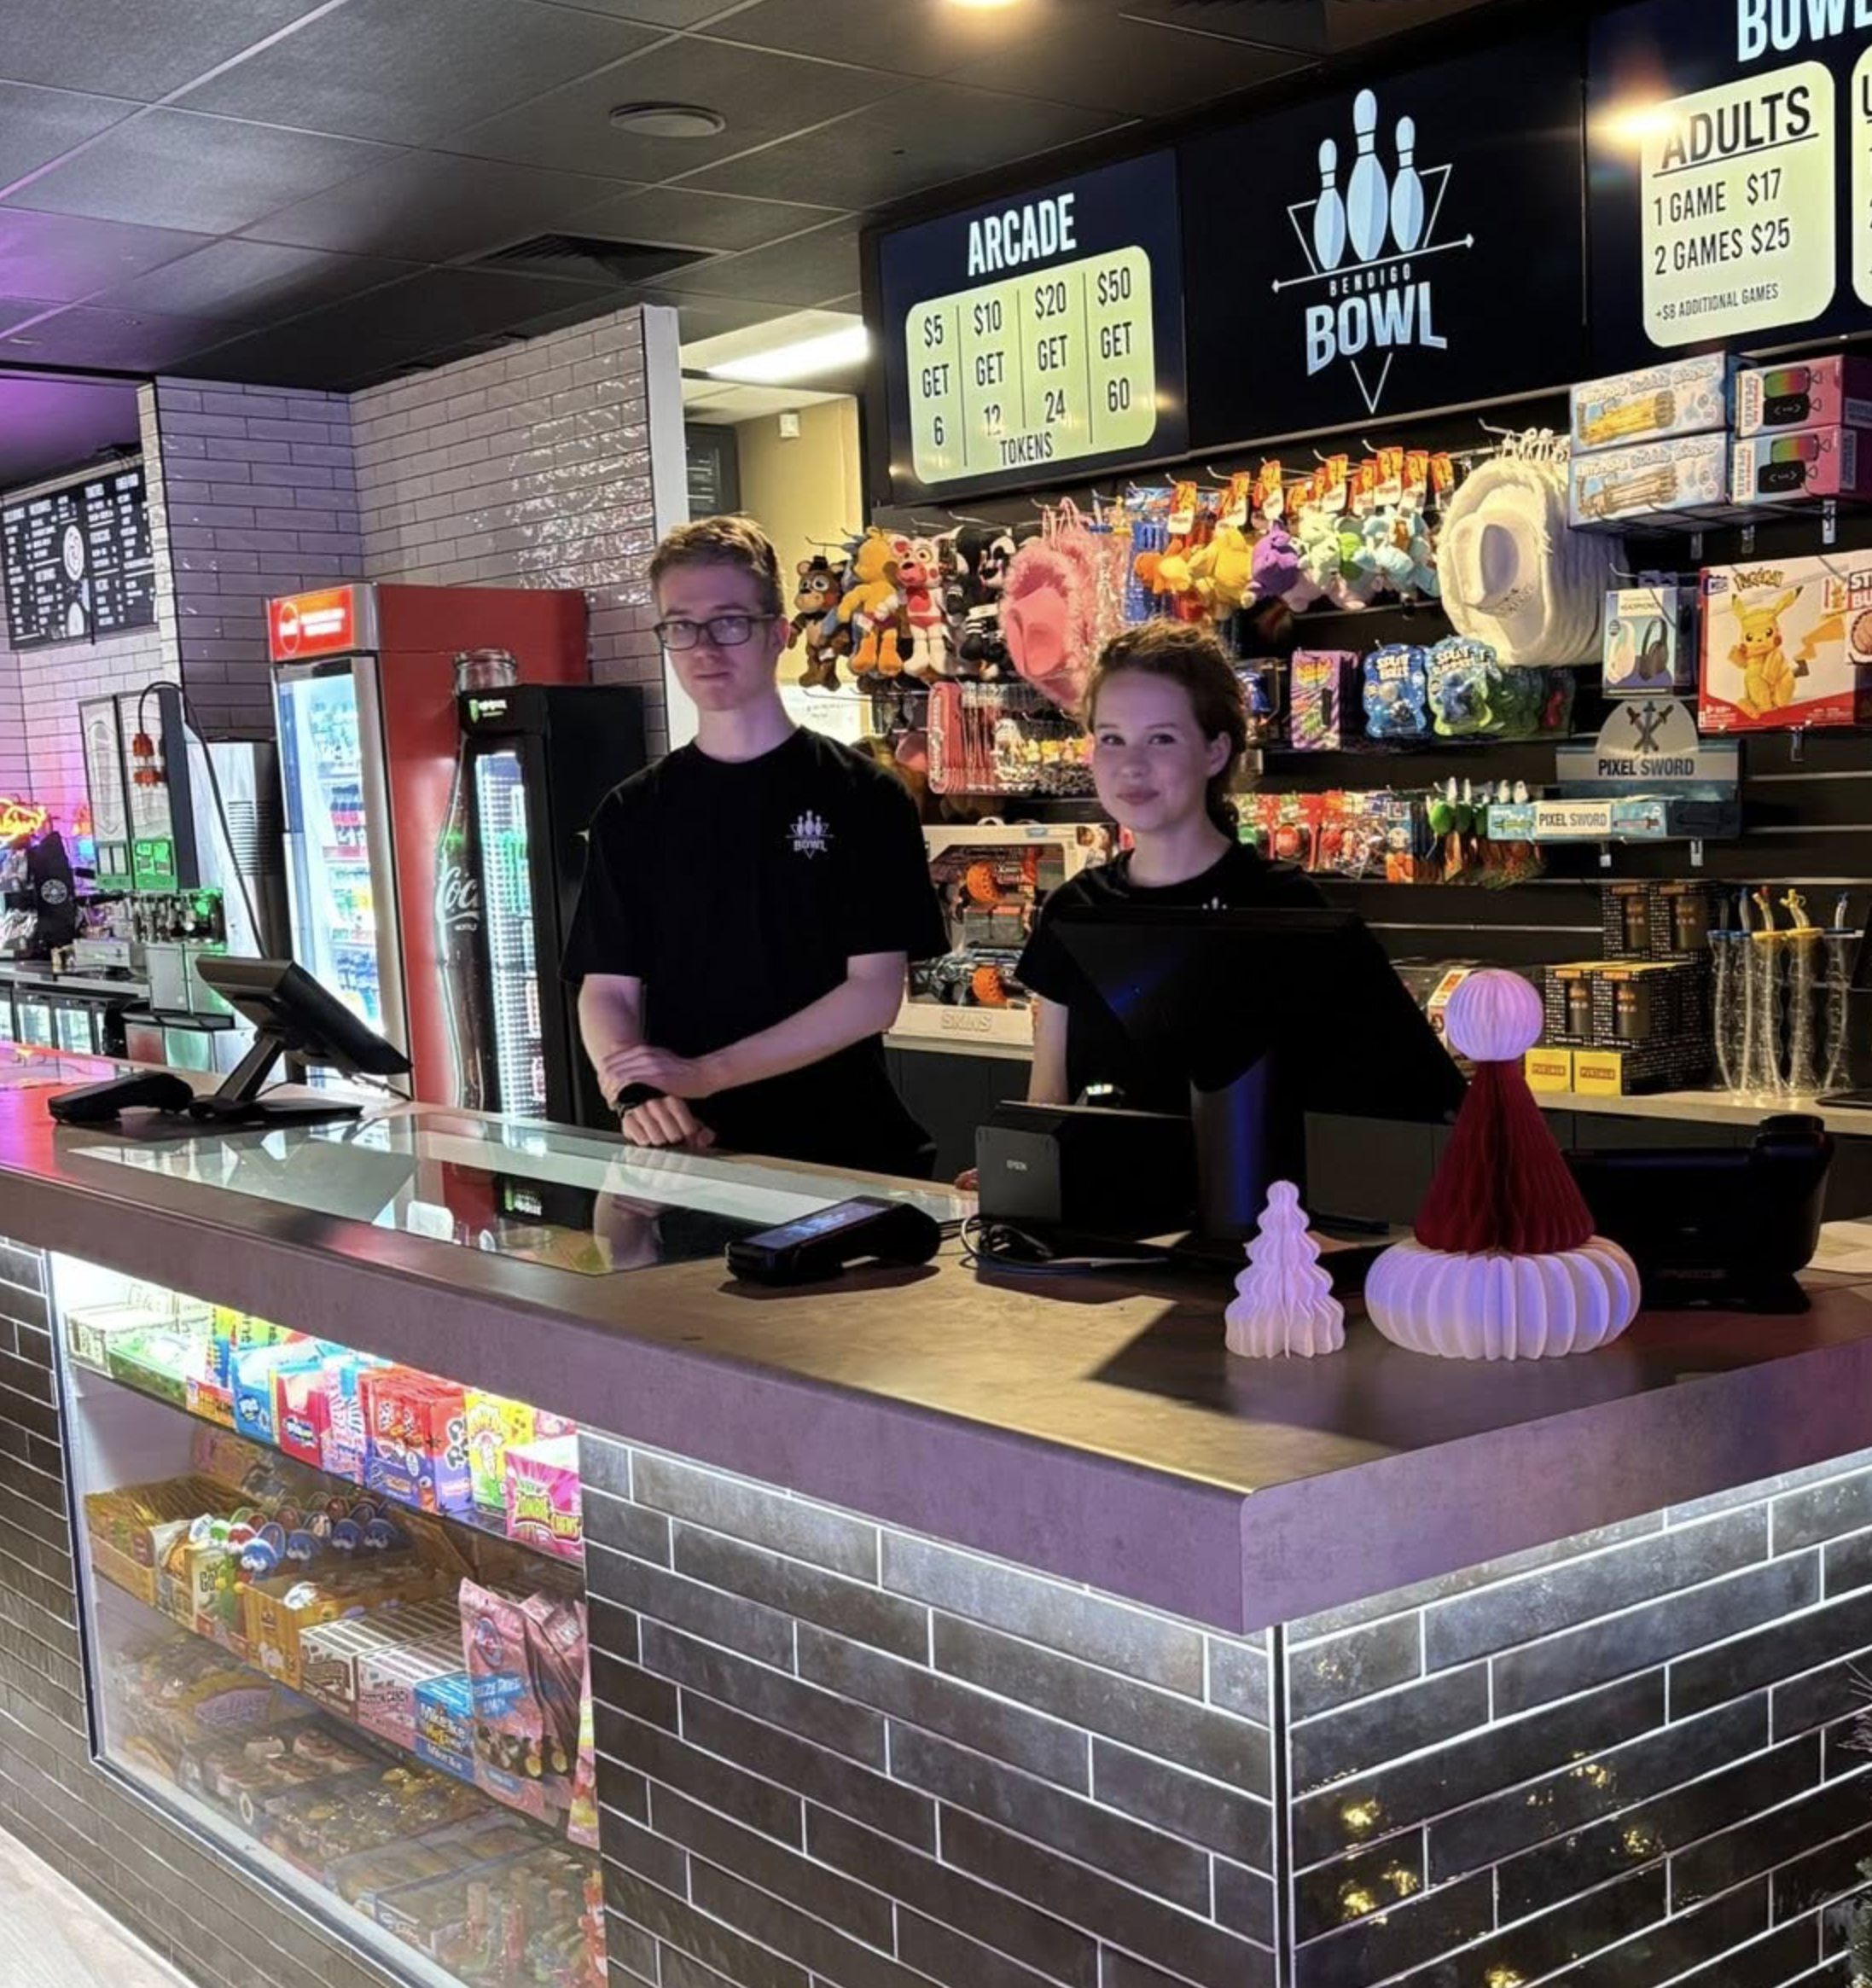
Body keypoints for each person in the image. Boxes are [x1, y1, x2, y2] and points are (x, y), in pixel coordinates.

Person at [563, 515, 948, 1177]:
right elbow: (607, 989)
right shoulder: (631, 812)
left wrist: (706, 1073)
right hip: (689, 1156)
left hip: (846, 1159)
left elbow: (874, 995)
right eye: (681, 626)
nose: (704, 646)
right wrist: (631, 1086)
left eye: (729, 622)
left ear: (780, 633)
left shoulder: (864, 795)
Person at [1015, 622, 1325, 1113]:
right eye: (1112, 738)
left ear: (1215, 751)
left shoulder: (1286, 906)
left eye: (1160, 738)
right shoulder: (1073, 909)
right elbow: (1048, 1102)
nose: (1131, 765)